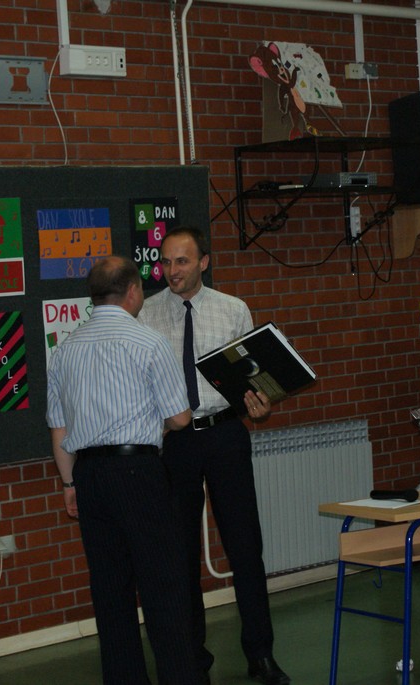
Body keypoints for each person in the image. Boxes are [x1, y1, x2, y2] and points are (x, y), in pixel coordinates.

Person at [137, 226, 289, 685]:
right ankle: (192, 660)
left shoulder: (232, 309)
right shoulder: (146, 313)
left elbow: (256, 380)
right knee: (180, 554)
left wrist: (261, 405)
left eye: (181, 261)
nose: (172, 270)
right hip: (174, 442)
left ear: (203, 262)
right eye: (166, 262)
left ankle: (261, 654)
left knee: (245, 548)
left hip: (224, 434)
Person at [46, 256, 199, 685]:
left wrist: (69, 483)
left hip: (89, 476)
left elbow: (59, 428)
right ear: (133, 291)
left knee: (110, 591)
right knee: (164, 587)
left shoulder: (64, 350)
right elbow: (180, 418)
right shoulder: (148, 342)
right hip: (138, 473)